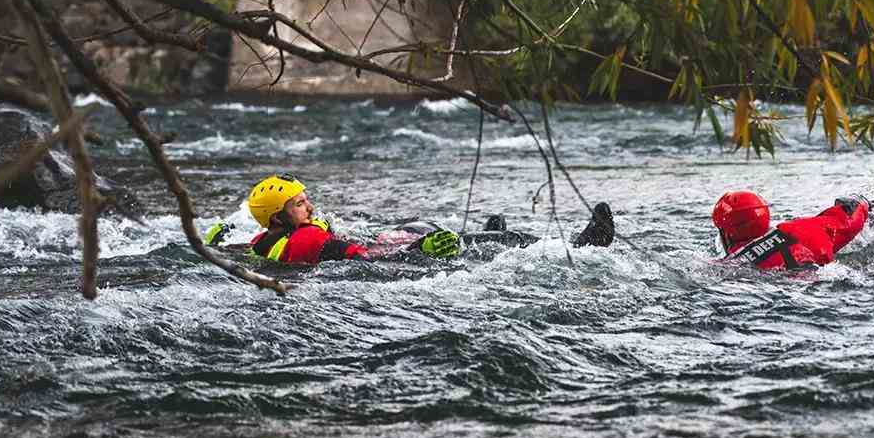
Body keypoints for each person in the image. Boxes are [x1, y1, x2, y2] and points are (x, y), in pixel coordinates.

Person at [202, 174, 615, 266]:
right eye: (299, 204)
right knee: (432, 233)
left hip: (383, 240)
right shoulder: (308, 242)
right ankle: (581, 245)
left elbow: (245, 250)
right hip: (390, 254)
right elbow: (367, 260)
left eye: (306, 199)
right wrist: (419, 249)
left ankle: (491, 235)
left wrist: (218, 241)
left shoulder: (264, 241)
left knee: (421, 224)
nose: (309, 207)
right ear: (279, 216)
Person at [713, 190, 872, 270]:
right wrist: (862, 203)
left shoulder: (731, 265)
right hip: (827, 280)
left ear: (727, 233)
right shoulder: (802, 228)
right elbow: (850, 218)